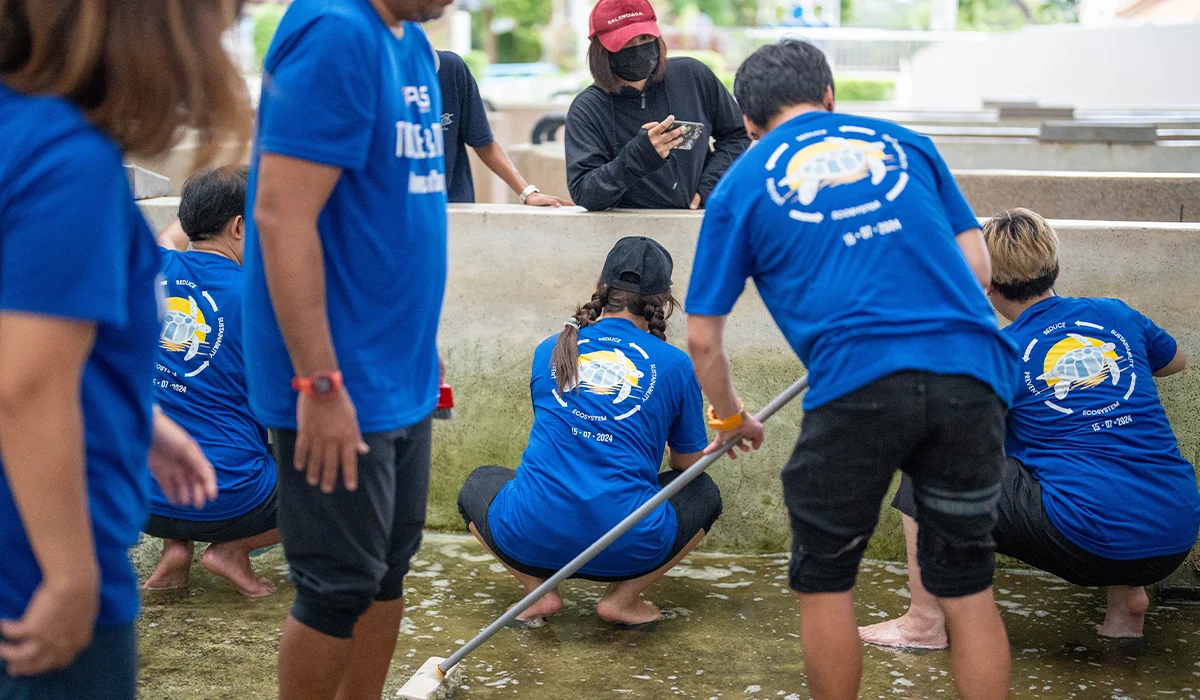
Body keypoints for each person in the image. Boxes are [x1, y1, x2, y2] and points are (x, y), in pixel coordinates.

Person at [685, 40, 1016, 700]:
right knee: (967, 583)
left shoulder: (742, 184)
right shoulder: (905, 144)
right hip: (972, 377)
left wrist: (727, 417)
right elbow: (979, 269)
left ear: (749, 124)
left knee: (826, 576)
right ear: (830, 96)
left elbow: (701, 339)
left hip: (858, 386)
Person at [0, 0, 246, 696]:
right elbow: (25, 385)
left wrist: (141, 420)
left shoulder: (17, 126)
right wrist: (71, 574)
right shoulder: (67, 158)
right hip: (34, 571)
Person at [859, 208, 1200, 648]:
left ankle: (923, 623)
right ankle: (1126, 606)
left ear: (986, 285)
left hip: (1093, 544)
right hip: (1175, 533)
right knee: (1109, 450)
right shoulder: (1115, 314)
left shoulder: (997, 354)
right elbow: (1175, 362)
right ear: (1056, 267)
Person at [243, 0, 452, 698]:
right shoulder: (336, 33)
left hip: (401, 370)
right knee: (335, 584)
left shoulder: (413, 43)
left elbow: (391, 211)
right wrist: (319, 384)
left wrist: (423, 340)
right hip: (337, 378)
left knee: (388, 567)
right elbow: (281, 214)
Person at [457, 236, 721, 626]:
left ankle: (538, 591)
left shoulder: (551, 347)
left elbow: (561, 436)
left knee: (478, 484)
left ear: (601, 287)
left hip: (532, 537)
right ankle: (623, 599)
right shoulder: (676, 364)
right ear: (664, 300)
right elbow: (687, 465)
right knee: (703, 492)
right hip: (629, 547)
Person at [143, 167, 281, 599]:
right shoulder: (261, 298)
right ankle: (231, 552)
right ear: (239, 226)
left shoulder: (153, 268)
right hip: (229, 501)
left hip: (146, 499)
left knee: (176, 396)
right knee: (340, 482)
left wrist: (203, 206)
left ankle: (174, 550)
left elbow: (172, 234)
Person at [565, 0, 749, 212]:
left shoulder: (693, 76)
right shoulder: (588, 109)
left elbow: (736, 133)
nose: (637, 49)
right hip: (628, 235)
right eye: (624, 43)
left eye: (644, 37)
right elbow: (584, 192)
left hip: (699, 222)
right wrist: (638, 156)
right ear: (601, 49)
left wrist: (710, 186)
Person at [436, 50, 568, 206]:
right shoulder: (399, 77)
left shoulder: (450, 67)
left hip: (453, 207)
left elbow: (484, 143)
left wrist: (526, 192)